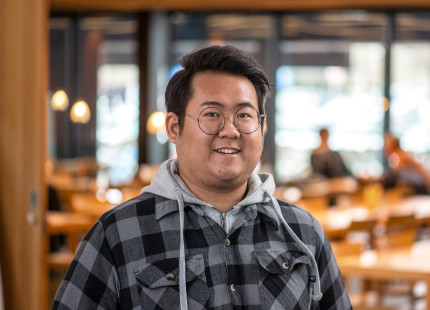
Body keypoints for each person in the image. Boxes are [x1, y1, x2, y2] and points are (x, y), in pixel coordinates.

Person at [52, 45, 351, 309]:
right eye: (212, 114)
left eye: (244, 115)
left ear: (263, 127)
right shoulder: (117, 234)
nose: (230, 130)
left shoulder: (303, 231)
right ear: (173, 127)